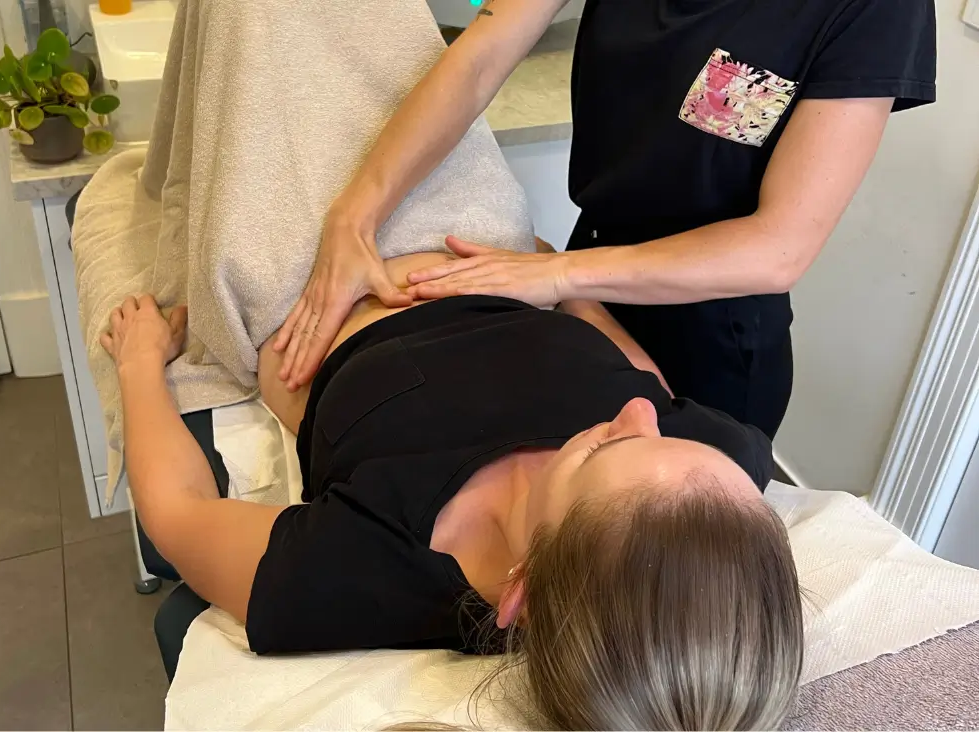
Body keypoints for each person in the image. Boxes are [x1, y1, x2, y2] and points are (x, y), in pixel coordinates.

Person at [102, 251, 803, 730]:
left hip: (304, 268)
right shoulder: (721, 470)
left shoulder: (368, 567)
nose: (641, 417)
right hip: (486, 236)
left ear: (521, 590)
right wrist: (565, 279)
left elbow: (178, 512)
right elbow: (648, 386)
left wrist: (139, 361)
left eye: (605, 448)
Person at [272, 0, 938, 439]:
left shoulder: (877, 7)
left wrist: (555, 275)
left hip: (711, 338)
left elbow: (778, 248)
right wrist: (352, 219)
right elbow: (476, 61)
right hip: (585, 276)